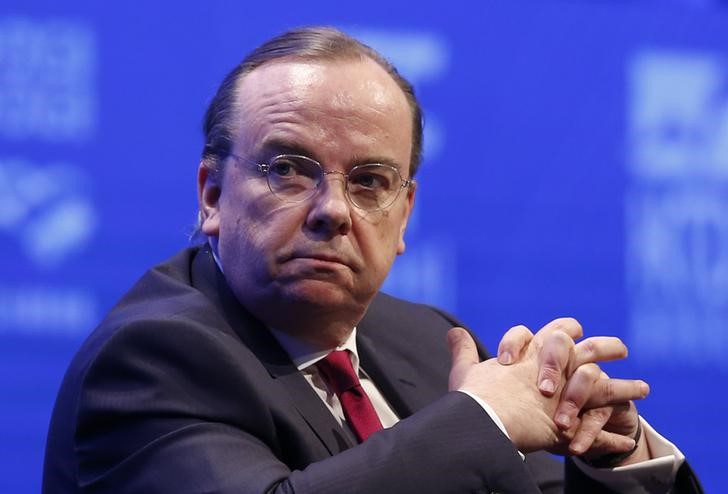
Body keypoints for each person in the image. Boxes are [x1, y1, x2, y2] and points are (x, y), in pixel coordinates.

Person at [42, 27, 702, 493]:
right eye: (288, 170)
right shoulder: (152, 359)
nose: (333, 209)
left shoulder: (425, 339)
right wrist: (485, 420)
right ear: (212, 195)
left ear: (404, 213)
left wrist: (612, 453)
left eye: (368, 182)